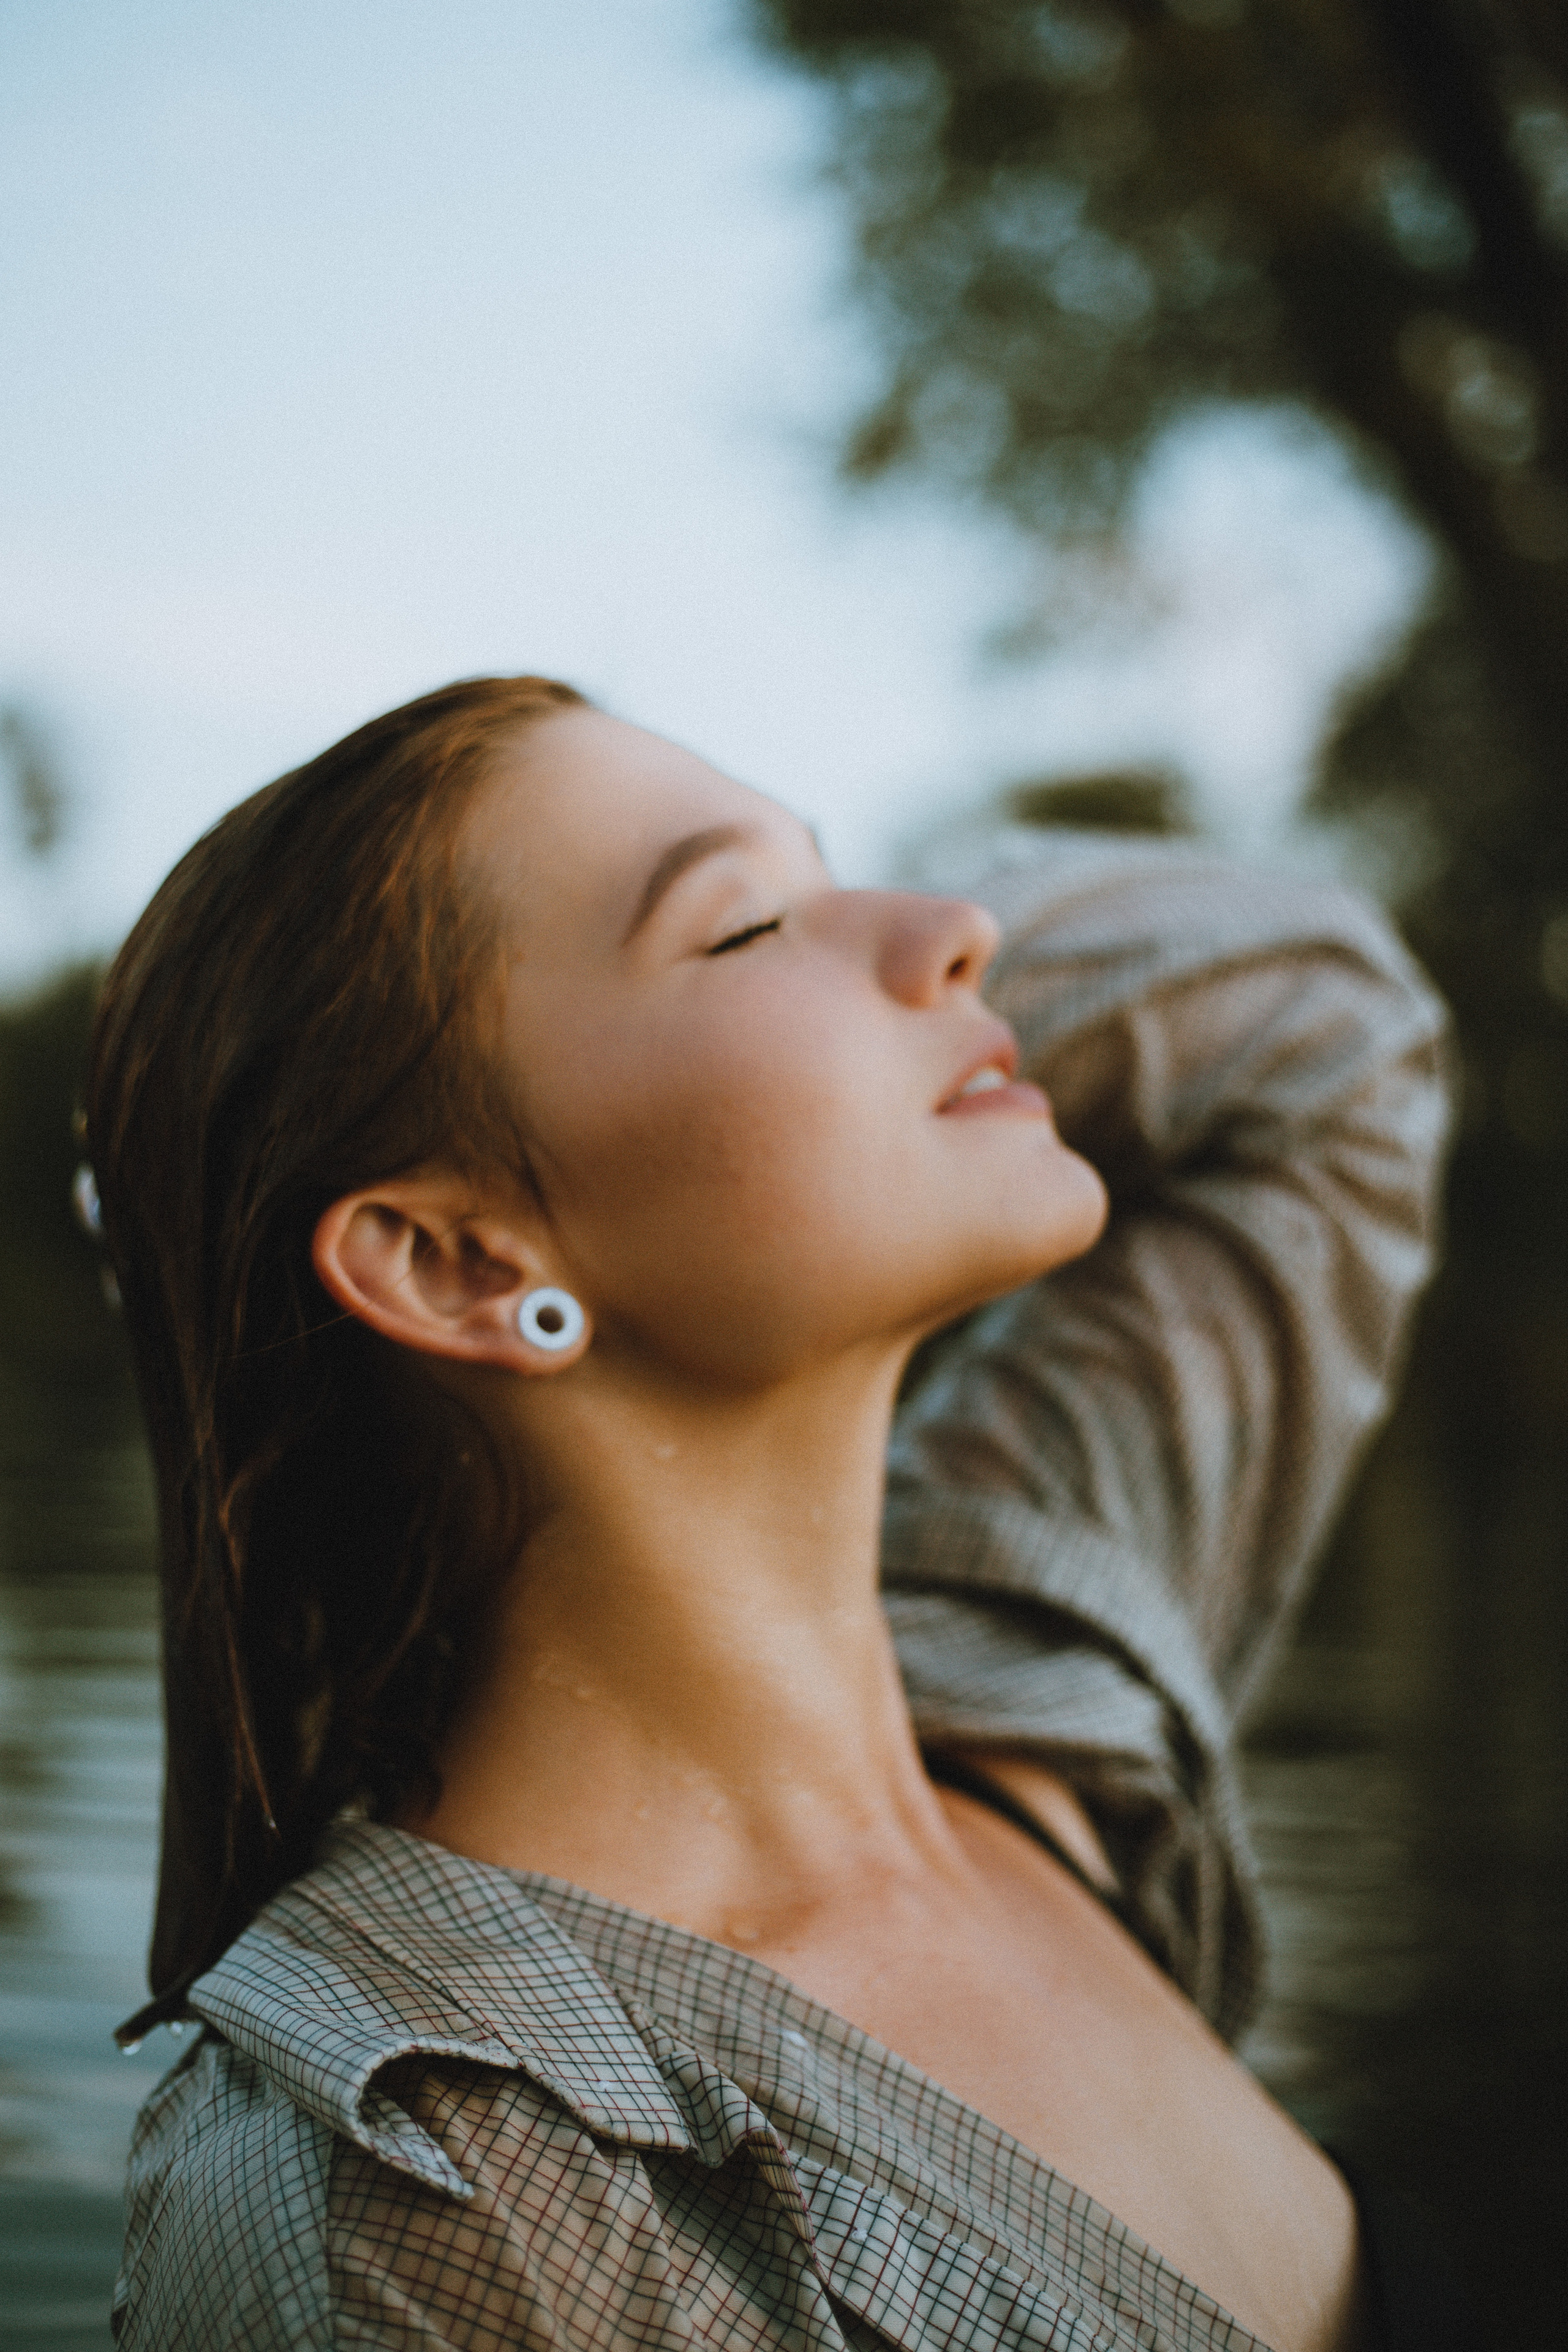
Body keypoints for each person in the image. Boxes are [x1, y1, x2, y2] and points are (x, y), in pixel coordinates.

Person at [92, 677, 1451, 2352]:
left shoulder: (1031, 1689)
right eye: (739, 930)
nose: (953, 925)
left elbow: (1326, 1033)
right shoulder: (432, 2197)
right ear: (460, 1259)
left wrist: (866, 998)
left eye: (842, 876)